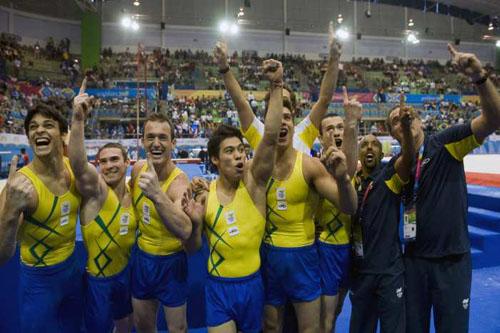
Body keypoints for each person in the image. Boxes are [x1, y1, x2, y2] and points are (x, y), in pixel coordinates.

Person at [395, 45, 500, 333]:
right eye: (396, 121)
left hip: (451, 262)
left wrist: (479, 76)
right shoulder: (395, 166)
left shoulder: (444, 143)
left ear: (420, 122)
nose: (404, 122)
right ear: (392, 132)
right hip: (413, 263)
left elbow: (494, 120)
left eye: (409, 117)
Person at [182, 59, 284, 333]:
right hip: (217, 288)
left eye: (241, 150)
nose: (239, 155)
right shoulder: (204, 194)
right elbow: (192, 248)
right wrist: (193, 224)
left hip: (252, 285)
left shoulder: (254, 185)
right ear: (215, 159)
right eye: (230, 151)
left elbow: (271, 137)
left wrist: (276, 85)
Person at [0, 103, 83, 332]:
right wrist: (9, 213)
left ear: (63, 135)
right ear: (29, 138)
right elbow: (1, 255)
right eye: (33, 128)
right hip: (39, 281)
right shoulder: (20, 186)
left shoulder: (74, 169)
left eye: (48, 125)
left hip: (72, 269)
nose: (39, 131)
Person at [214, 21, 341, 155]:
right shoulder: (259, 133)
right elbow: (239, 102)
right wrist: (224, 66)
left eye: (285, 102)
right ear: (267, 111)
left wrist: (334, 59)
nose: (280, 108)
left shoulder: (304, 133)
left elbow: (325, 99)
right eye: (276, 102)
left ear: (293, 112)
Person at [70, 79, 136, 333]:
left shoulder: (135, 193)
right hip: (98, 282)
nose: (109, 165)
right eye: (103, 161)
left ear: (127, 161)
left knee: (126, 327)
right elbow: (78, 165)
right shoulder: (97, 192)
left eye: (115, 160)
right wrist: (78, 120)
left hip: (126, 275)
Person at [349, 96, 415, 333]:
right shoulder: (350, 184)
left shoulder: (389, 175)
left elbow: (409, 156)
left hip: (390, 272)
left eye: (374, 144)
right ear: (357, 151)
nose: (368, 147)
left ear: (382, 151)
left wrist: (406, 129)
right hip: (361, 272)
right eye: (364, 144)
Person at [130, 111, 193, 333]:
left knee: (177, 329)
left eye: (163, 138)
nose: (156, 143)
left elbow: (184, 230)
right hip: (142, 258)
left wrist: (157, 194)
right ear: (143, 141)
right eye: (151, 137)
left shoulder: (179, 182)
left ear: (173, 143)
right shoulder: (137, 169)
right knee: (143, 326)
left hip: (171, 262)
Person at [316, 87, 361, 333]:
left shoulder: (355, 164)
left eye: (340, 127)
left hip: (350, 250)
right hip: (325, 250)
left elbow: (350, 168)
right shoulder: (314, 167)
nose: (335, 132)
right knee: (326, 318)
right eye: (329, 128)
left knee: (337, 312)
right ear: (320, 136)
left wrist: (352, 123)